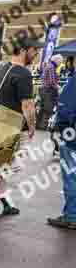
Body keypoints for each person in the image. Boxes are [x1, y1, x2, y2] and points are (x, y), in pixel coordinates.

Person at [0, 37, 43, 217]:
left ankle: (1, 201)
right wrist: (32, 126)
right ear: (24, 50)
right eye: (34, 50)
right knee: (7, 167)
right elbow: (27, 105)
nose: (37, 54)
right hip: (14, 126)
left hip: (0, 123)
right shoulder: (23, 74)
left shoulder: (3, 68)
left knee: (2, 165)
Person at [48, 74, 76, 229]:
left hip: (72, 136)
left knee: (71, 177)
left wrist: (61, 125)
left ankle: (72, 216)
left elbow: (66, 107)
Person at [37, 54, 63, 132]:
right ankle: (42, 128)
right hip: (48, 91)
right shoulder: (51, 67)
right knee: (47, 110)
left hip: (43, 90)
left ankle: (38, 126)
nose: (60, 64)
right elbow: (52, 82)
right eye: (60, 62)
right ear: (57, 61)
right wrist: (58, 87)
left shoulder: (49, 65)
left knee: (42, 109)